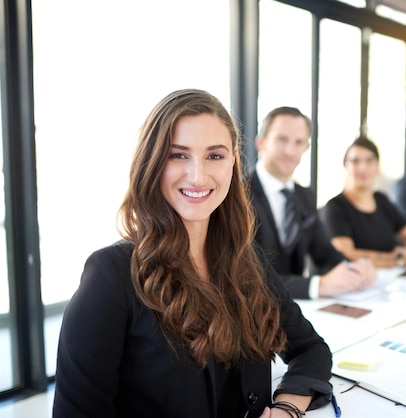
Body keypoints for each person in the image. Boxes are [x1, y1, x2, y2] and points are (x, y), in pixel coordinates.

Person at [53, 89, 333, 418]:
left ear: (233, 163)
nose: (198, 175)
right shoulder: (110, 275)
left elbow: (310, 348)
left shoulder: (247, 259)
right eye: (178, 155)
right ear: (152, 163)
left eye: (215, 156)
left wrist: (287, 407)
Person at [247, 106, 376, 299]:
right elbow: (246, 276)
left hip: (296, 312)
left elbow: (324, 252)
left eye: (299, 142)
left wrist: (353, 268)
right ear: (261, 142)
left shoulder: (304, 196)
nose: (290, 151)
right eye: (282, 140)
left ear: (306, 147)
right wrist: (317, 286)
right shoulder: (238, 196)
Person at [320, 136, 406, 268]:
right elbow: (346, 253)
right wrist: (399, 259)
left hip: (390, 279)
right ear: (346, 165)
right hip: (358, 283)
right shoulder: (336, 207)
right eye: (355, 161)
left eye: (369, 161)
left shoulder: (382, 201)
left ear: (377, 165)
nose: (362, 167)